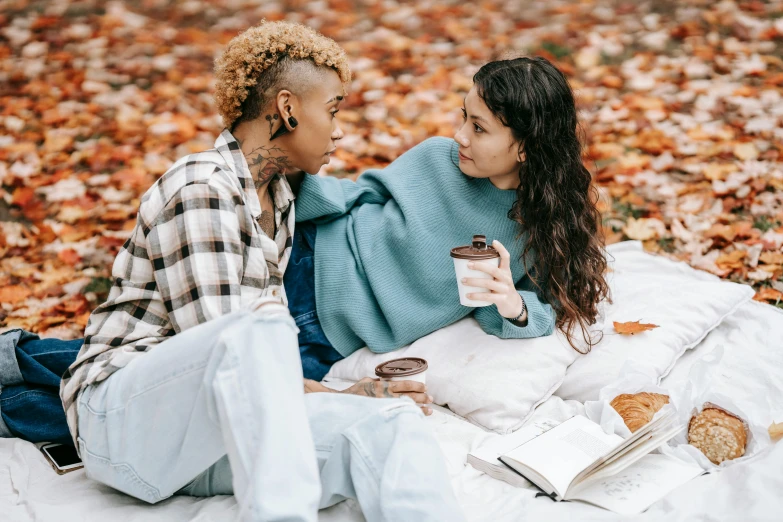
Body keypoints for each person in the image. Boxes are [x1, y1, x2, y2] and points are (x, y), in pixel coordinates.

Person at [2, 21, 465, 522]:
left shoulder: (281, 201)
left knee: (391, 424)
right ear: (287, 109)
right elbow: (234, 356)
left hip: (204, 442)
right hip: (121, 424)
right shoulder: (201, 188)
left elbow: (255, 384)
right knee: (260, 325)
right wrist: (334, 393)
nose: (339, 129)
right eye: (332, 109)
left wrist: (357, 399)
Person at [286, 55, 610, 381]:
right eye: (465, 118)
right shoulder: (438, 156)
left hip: (332, 334)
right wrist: (282, 186)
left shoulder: (538, 229)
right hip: (306, 256)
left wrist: (514, 306)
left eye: (479, 128)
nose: (461, 135)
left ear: (525, 148)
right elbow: (361, 194)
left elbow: (536, 311)